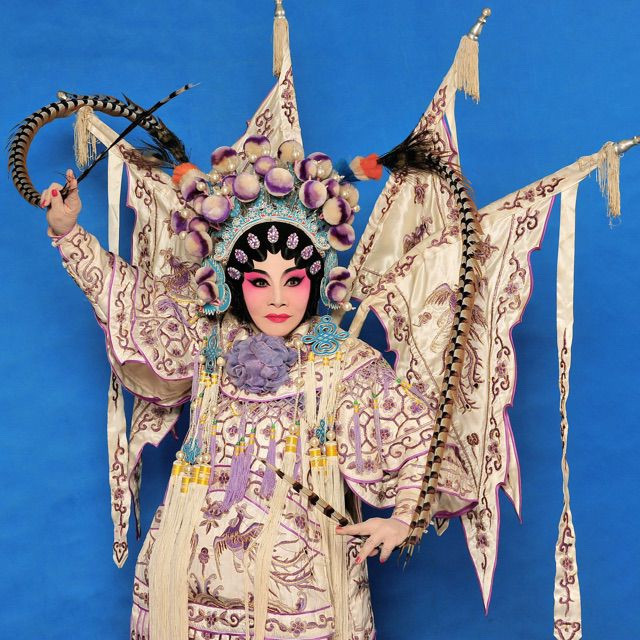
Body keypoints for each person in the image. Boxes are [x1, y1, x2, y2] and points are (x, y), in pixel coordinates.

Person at [40, 148, 471, 640]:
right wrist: (70, 235)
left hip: (299, 594)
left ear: (317, 279)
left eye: (293, 280)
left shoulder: (344, 362)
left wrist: (404, 519)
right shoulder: (210, 341)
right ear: (234, 283)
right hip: (185, 580)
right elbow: (132, 302)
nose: (278, 299)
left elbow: (419, 442)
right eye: (260, 281)